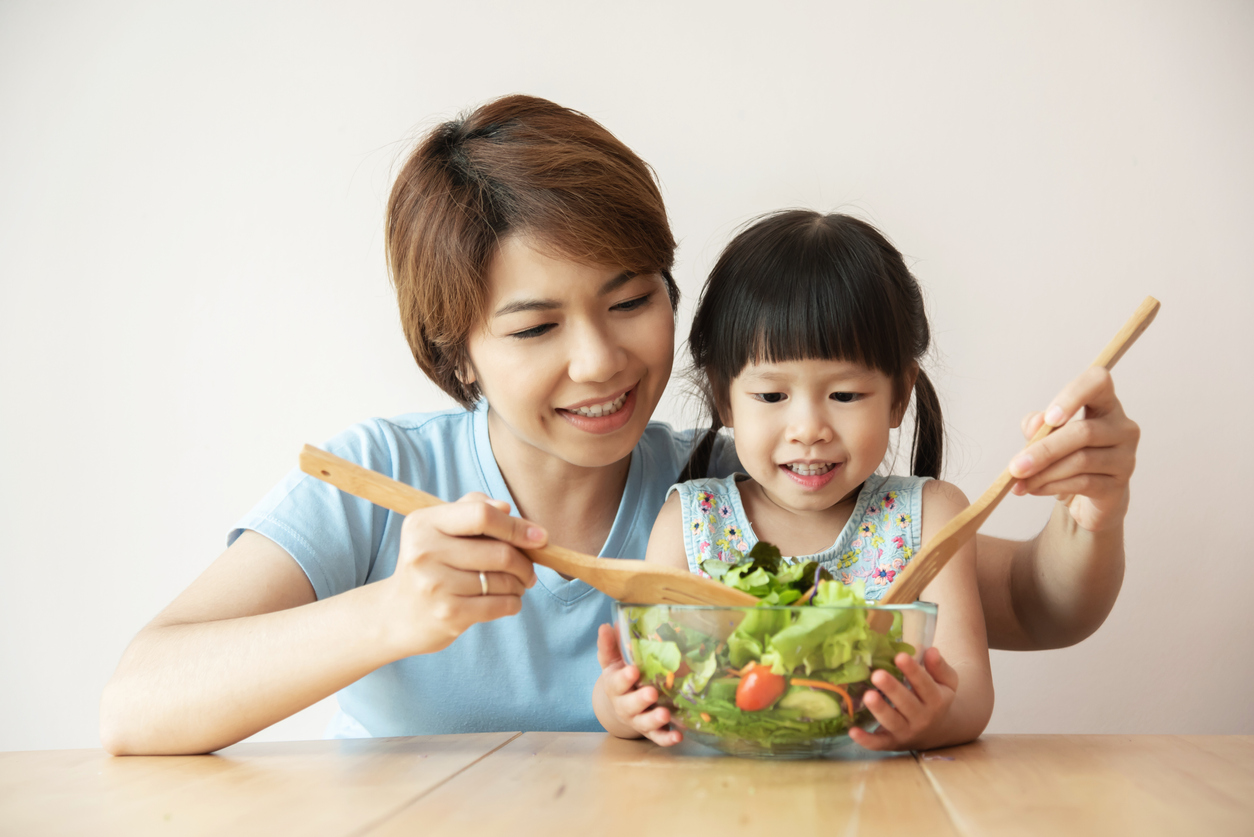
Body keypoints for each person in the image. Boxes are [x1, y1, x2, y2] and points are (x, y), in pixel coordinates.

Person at [99, 95, 1138, 755]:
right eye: (536, 324)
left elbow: (1030, 607)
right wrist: (393, 617)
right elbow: (137, 704)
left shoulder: (749, 485)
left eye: (631, 299)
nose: (600, 360)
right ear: (456, 348)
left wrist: (1090, 505)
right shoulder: (383, 474)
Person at [594, 211, 993, 751]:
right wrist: (622, 706)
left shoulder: (930, 517)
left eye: (846, 395)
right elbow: (645, 671)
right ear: (723, 396)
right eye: (772, 396)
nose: (808, 430)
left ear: (899, 396)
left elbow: (969, 689)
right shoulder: (691, 521)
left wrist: (932, 719)